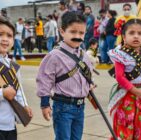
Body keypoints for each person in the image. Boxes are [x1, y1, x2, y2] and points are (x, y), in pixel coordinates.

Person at [36, 11, 94, 140]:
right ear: (62, 32)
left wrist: (90, 84)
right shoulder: (54, 55)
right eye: (73, 32)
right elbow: (44, 80)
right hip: (63, 107)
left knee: (76, 138)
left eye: (81, 33)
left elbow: (87, 73)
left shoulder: (83, 55)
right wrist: (45, 104)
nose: (77, 36)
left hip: (80, 106)